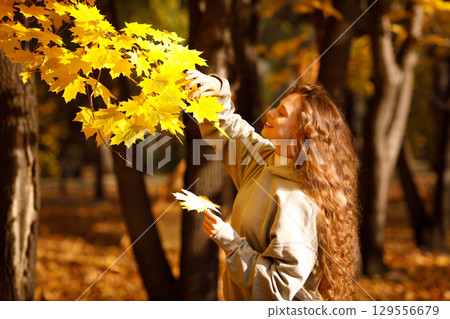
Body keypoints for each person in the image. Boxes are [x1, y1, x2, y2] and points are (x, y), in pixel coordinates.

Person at [184, 70, 360, 301]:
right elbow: (228, 129)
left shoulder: (299, 201)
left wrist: (230, 242)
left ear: (301, 133)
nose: (270, 112)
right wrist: (217, 88)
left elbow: (277, 290)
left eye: (282, 113)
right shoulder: (266, 161)